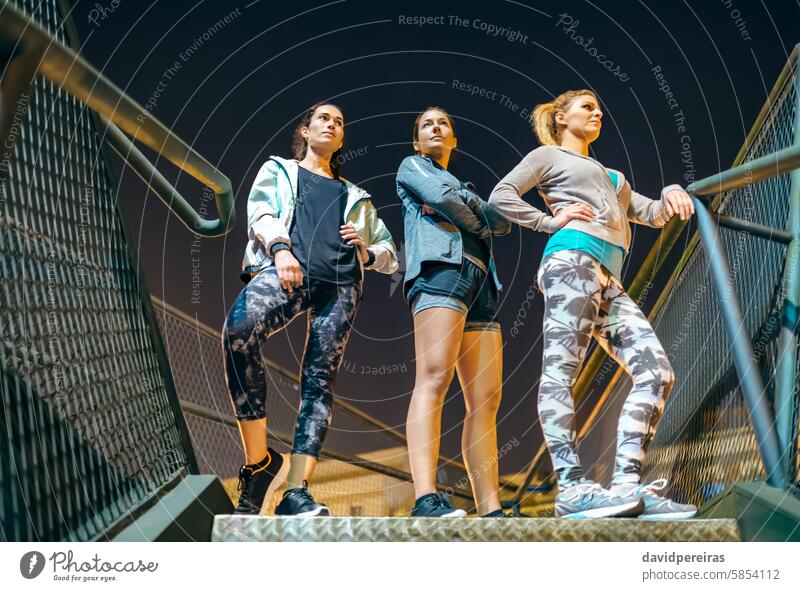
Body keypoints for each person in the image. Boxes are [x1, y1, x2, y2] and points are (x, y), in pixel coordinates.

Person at [489, 89, 698, 520]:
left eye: (600, 107)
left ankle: (627, 487)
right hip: (572, 262)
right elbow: (501, 196)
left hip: (609, 279)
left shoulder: (614, 177)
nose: (598, 112)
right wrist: (549, 221)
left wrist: (674, 189)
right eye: (587, 107)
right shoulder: (548, 156)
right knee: (560, 369)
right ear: (562, 118)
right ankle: (570, 487)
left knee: (656, 372)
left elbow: (654, 212)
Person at [222, 103, 398, 516]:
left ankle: (295, 492)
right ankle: (259, 463)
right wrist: (281, 249)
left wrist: (367, 252)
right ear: (305, 129)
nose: (333, 124)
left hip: (340, 286)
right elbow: (261, 212)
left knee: (319, 381)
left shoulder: (357, 196)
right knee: (238, 332)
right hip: (288, 270)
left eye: (340, 122)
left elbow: (390, 252)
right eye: (325, 118)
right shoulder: (279, 170)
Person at [396, 107, 512, 517]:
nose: (436, 128)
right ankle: (425, 497)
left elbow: (503, 223)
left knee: (486, 399)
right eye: (427, 124)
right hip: (441, 272)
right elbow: (444, 199)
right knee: (434, 376)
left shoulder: (464, 183)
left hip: (482, 281)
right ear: (417, 140)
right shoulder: (412, 165)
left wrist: (469, 210)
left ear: (454, 139)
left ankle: (490, 508)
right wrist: (475, 216)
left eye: (444, 123)